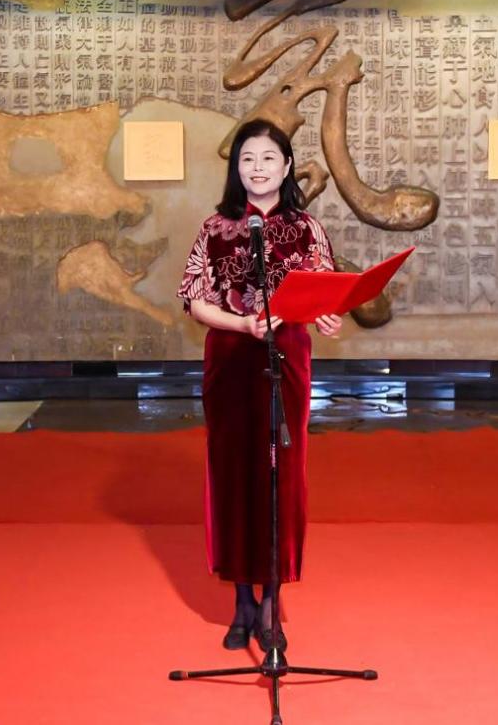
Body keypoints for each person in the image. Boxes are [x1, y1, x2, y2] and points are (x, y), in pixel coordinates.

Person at [177, 118, 341, 652]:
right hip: (230, 360)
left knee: (281, 475)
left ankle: (272, 600)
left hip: (286, 360)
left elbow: (323, 293)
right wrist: (241, 324)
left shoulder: (307, 228)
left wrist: (327, 315)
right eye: (247, 159)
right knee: (234, 474)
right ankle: (241, 600)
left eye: (269, 158)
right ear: (236, 168)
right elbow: (195, 301)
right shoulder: (215, 228)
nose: (258, 168)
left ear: (287, 166)